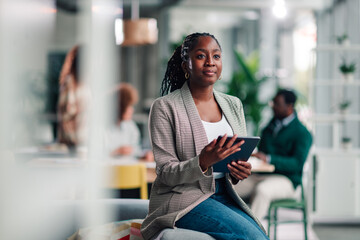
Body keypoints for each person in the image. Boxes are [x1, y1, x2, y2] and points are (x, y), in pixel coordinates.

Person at [140, 32, 269, 240]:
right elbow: (165, 173)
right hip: (184, 198)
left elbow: (234, 158)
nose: (210, 62)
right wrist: (203, 161)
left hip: (225, 194)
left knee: (262, 235)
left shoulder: (233, 104)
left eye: (216, 56)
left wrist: (238, 172)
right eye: (201, 56)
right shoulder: (165, 107)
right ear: (185, 66)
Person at [235, 89, 313, 220]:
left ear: (289, 106)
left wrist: (269, 158)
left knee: (262, 191)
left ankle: (252, 234)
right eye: (273, 103)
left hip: (287, 180)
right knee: (229, 187)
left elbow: (297, 164)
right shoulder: (269, 128)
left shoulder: (302, 133)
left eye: (277, 103)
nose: (273, 106)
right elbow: (262, 152)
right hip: (260, 175)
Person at [106, 83, 154, 161]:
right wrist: (117, 152)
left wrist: (143, 156)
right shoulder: (102, 128)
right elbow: (95, 156)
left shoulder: (130, 126)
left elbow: (136, 151)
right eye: (129, 106)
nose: (132, 110)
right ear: (120, 107)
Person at [57, 45, 90, 149]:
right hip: (73, 144)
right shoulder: (70, 83)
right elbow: (67, 113)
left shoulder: (85, 85)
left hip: (85, 143)